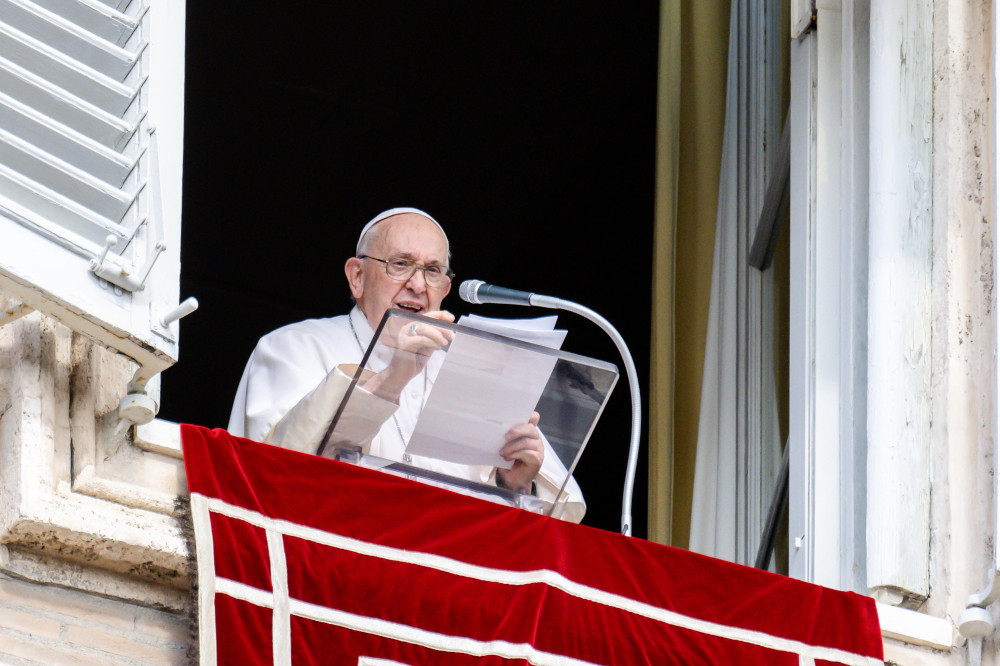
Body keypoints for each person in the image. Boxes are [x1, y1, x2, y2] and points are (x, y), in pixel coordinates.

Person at [228, 207, 585, 522]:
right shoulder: (293, 347)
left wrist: (515, 483)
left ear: (445, 289)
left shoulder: (477, 374)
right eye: (400, 264)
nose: (416, 285)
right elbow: (277, 473)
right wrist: (390, 380)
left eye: (432, 271)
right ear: (357, 277)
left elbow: (556, 525)